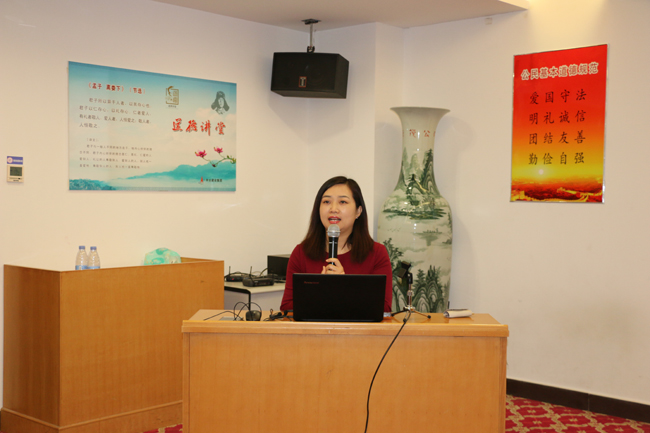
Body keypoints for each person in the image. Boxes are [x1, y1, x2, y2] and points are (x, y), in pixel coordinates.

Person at [280, 176, 393, 313]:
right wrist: (320, 290)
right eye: (326, 201)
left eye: (342, 202)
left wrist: (343, 286)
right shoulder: (301, 253)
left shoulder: (377, 253)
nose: (333, 209)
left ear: (358, 211)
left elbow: (384, 307)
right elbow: (287, 306)